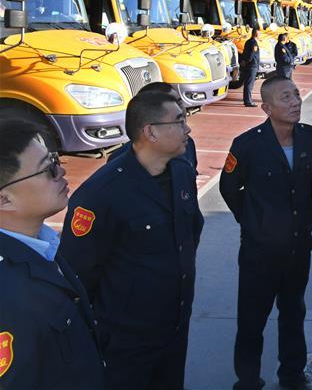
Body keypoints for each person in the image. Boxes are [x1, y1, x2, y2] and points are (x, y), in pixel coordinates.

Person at [60, 92, 204, 389]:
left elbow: (191, 231)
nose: (187, 128)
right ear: (150, 131)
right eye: (179, 121)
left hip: (174, 326)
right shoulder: (102, 193)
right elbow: (78, 275)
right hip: (125, 339)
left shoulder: (182, 172)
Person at [220, 76, 312, 390]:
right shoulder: (247, 145)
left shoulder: (309, 137)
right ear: (266, 107)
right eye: (285, 97)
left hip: (297, 247)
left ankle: (292, 376)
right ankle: (248, 380)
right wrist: (253, 222)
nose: (295, 102)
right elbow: (229, 187)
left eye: (296, 94)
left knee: (294, 314)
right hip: (259, 252)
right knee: (252, 320)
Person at [0, 119, 106, 389]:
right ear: (4, 199)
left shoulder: (42, 243)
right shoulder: (7, 295)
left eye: (55, 159)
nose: (60, 172)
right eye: (47, 169)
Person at [108, 81, 198, 171]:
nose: (180, 111)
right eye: (170, 105)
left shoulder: (187, 144)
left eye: (179, 102)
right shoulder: (118, 163)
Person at [241, 27, 262, 107]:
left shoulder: (248, 41)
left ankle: (247, 100)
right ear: (256, 34)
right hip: (252, 65)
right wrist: (247, 61)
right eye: (259, 33)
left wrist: (244, 61)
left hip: (249, 65)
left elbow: (244, 52)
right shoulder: (254, 43)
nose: (260, 35)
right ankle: (248, 101)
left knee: (247, 83)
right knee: (249, 84)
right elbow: (251, 55)